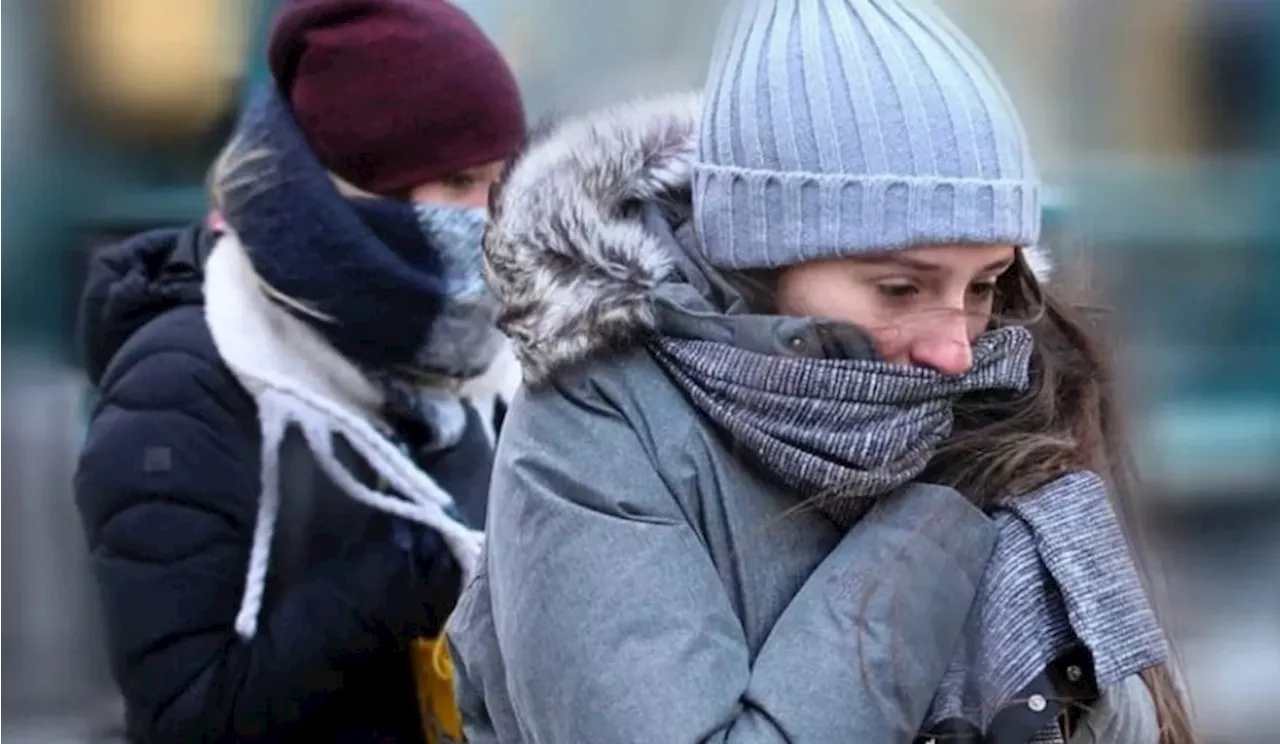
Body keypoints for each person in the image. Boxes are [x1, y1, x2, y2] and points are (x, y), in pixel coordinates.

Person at [446, 1, 1196, 743]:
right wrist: (934, 525)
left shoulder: (997, 397)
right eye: (900, 289)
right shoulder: (596, 423)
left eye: (982, 284)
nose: (956, 349)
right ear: (761, 258)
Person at [73, 0, 524, 741]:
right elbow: (185, 715)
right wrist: (400, 577)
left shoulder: (476, 364)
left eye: (499, 183)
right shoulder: (182, 387)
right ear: (355, 189)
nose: (488, 216)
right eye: (458, 182)